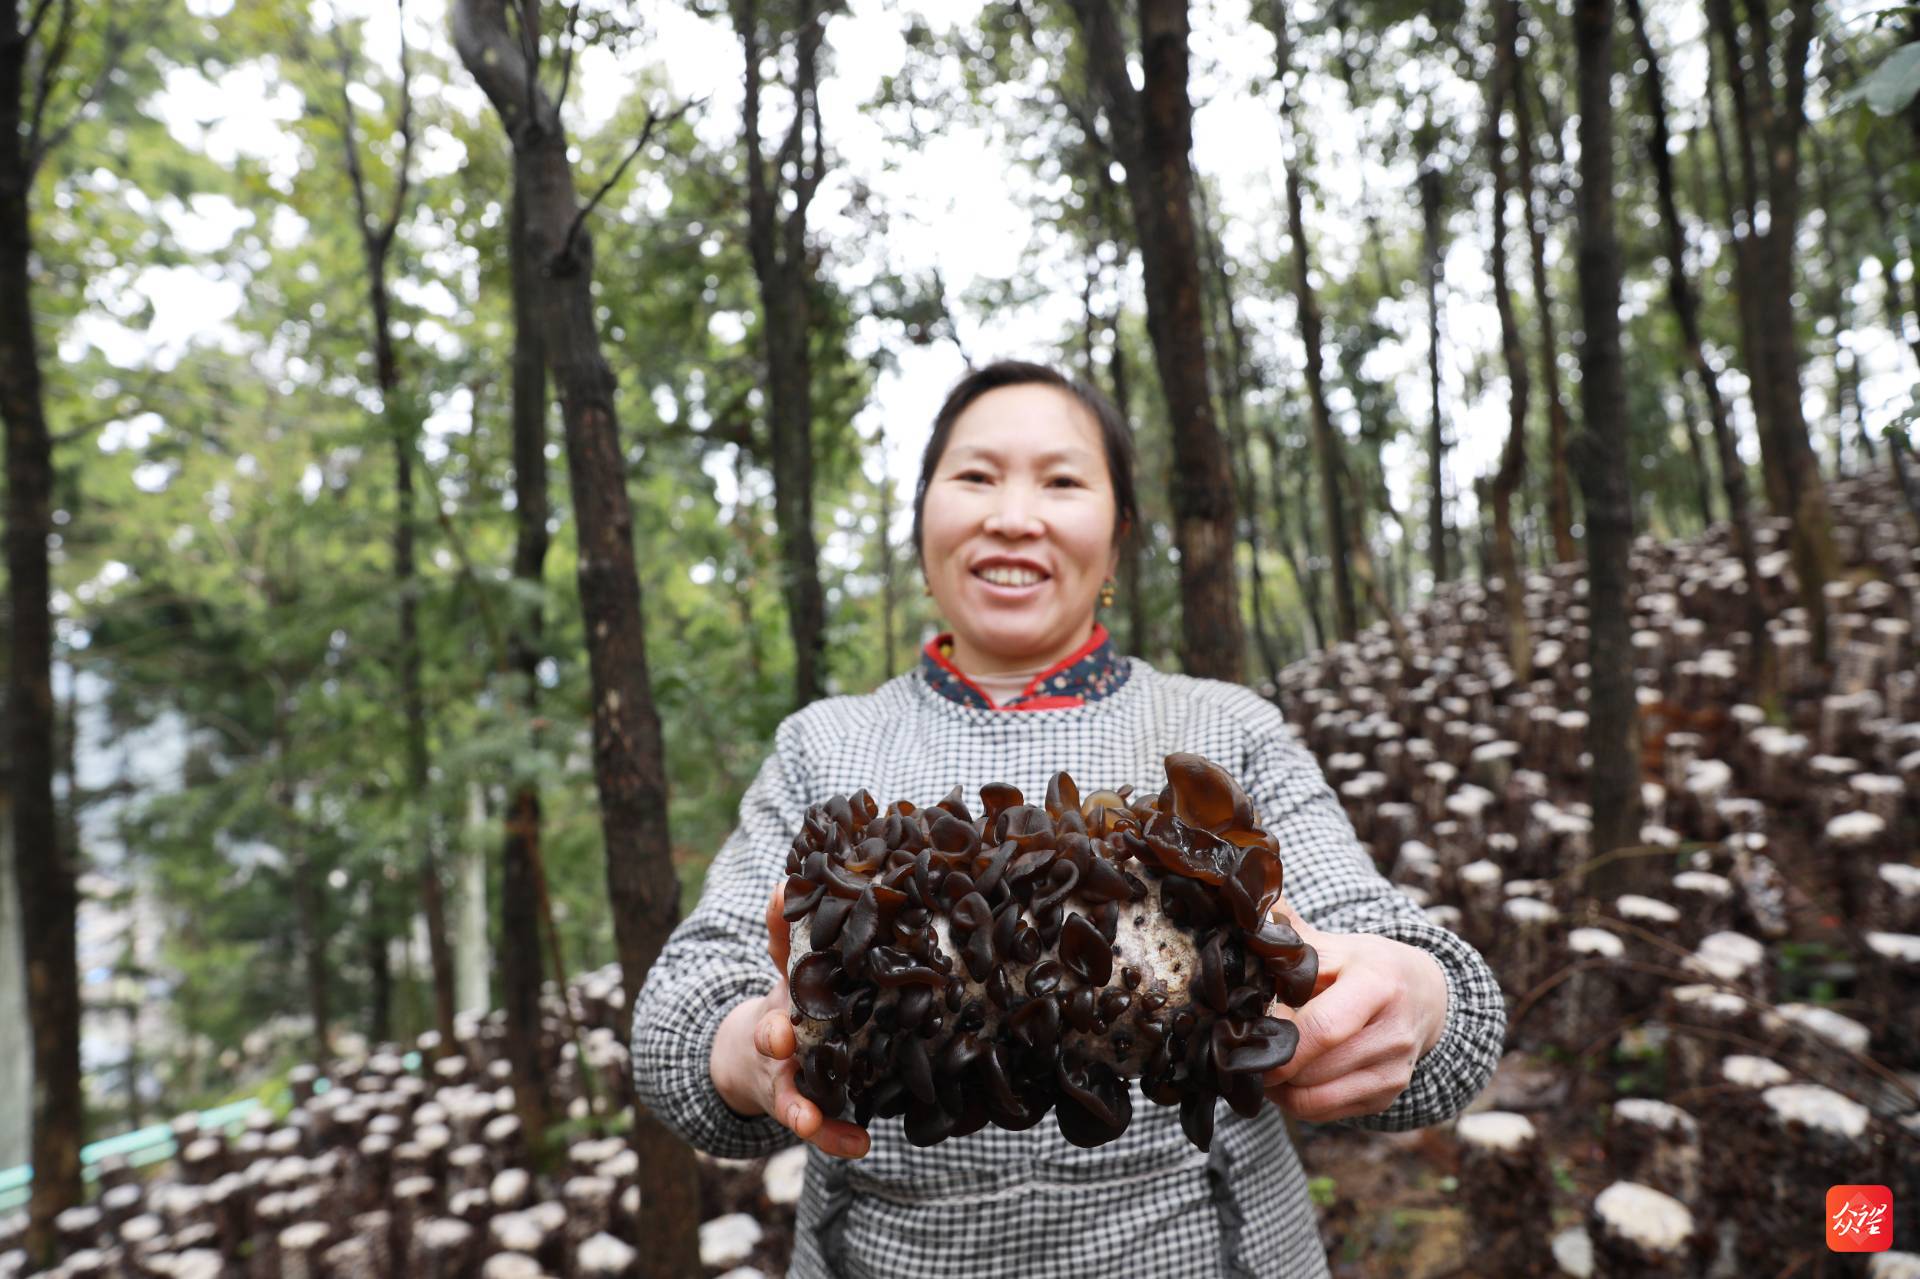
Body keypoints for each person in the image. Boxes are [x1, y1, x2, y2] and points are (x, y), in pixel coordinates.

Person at [632, 360, 1506, 1277]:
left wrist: (1416, 998)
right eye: (974, 475)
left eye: (1061, 479)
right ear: (922, 515)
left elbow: (1422, 976)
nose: (1014, 514)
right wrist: (747, 1048)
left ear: (1119, 538)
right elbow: (682, 1005)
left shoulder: (1221, 728)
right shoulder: (825, 745)